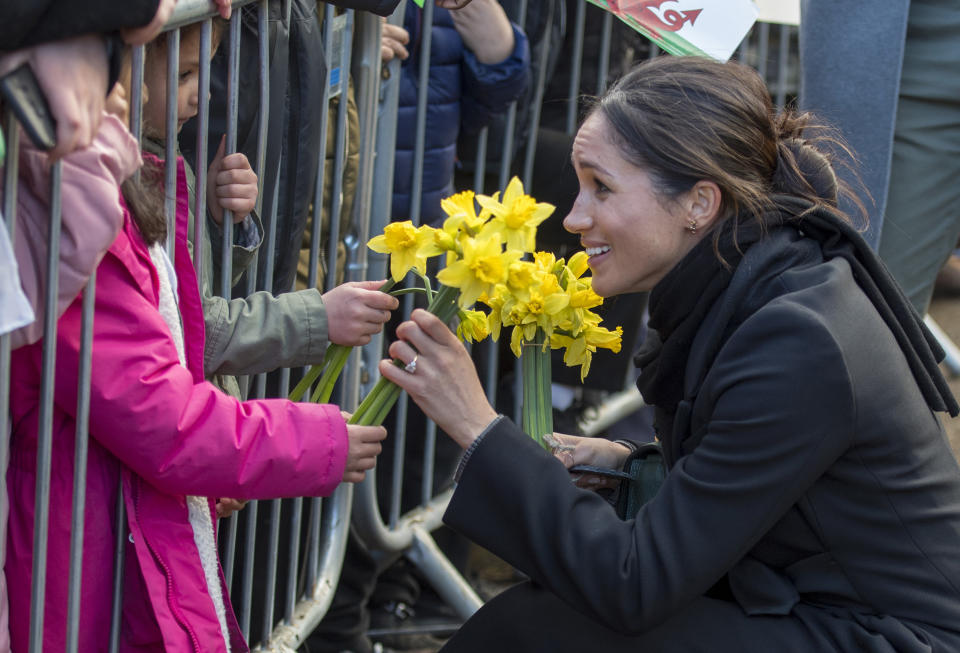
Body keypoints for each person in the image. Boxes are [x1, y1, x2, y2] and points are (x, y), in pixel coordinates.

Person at [378, 55, 960, 652]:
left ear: (699, 204)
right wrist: (627, 466)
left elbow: (635, 585)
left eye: (601, 187)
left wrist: (477, 426)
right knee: (538, 623)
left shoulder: (797, 339)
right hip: (824, 609)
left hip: (897, 640)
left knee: (539, 631)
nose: (575, 217)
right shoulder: (758, 281)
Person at [5, 85, 390, 653]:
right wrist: (319, 440)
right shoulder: (73, 234)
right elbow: (164, 418)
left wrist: (224, 226)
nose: (203, 90)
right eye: (183, 70)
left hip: (109, 522)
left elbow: (174, 330)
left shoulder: (115, 194)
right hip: (80, 543)